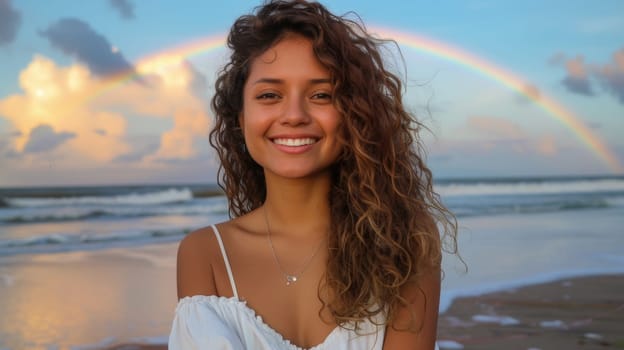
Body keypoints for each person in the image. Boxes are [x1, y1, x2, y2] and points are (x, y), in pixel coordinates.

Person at [169, 0, 457, 349]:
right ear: (241, 119)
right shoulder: (205, 255)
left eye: (321, 95)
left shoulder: (403, 241)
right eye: (270, 95)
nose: (294, 115)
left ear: (355, 115)